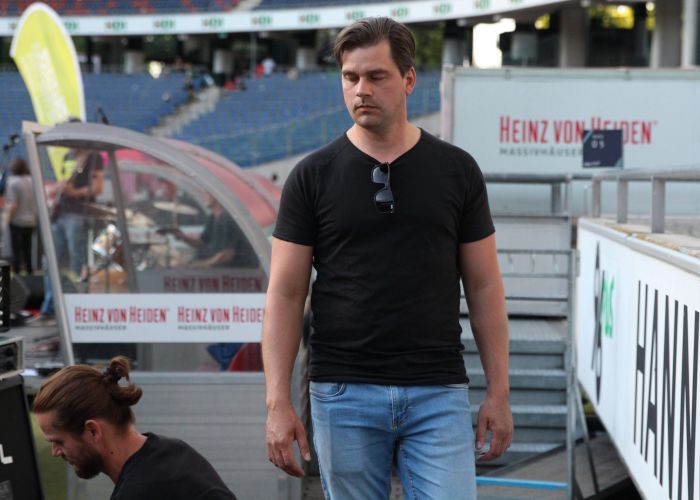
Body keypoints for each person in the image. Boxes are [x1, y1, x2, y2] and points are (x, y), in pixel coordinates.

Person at [262, 17, 513, 499]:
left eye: (376, 76)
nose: (361, 89)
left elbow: (484, 286)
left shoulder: (457, 171)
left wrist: (498, 393)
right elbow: (285, 295)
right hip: (343, 392)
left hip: (437, 390)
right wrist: (277, 402)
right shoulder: (311, 176)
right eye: (350, 77)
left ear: (409, 79)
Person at [33, 356, 237, 500]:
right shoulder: (174, 450)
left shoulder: (139, 492)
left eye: (58, 441)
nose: (55, 452)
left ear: (93, 431)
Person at [29, 148, 105, 326]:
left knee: (79, 261)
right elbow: (66, 181)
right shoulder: (68, 156)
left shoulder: (93, 156)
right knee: (50, 262)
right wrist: (58, 189)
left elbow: (97, 188)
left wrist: (74, 192)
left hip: (78, 214)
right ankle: (50, 309)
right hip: (60, 214)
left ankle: (81, 308)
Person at [166, 196, 252, 269]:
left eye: (207, 193)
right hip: (220, 270)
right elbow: (202, 242)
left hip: (235, 272)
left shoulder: (228, 219)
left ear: (217, 195)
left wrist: (204, 264)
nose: (204, 196)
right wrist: (183, 237)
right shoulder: (213, 218)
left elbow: (228, 253)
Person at [5, 158, 37, 274]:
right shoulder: (32, 181)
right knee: (28, 248)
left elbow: (13, 205)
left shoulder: (13, 182)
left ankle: (17, 272)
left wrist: (8, 219)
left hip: (17, 220)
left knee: (16, 249)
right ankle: (29, 271)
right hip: (31, 220)